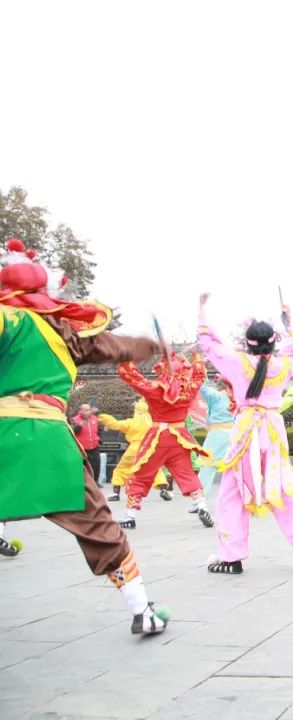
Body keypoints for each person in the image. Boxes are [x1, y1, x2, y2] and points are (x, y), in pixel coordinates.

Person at [0, 237, 168, 635]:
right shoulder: (64, 329)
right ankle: (142, 611)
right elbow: (116, 346)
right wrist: (150, 346)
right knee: (96, 523)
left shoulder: (8, 319)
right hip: (45, 437)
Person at [198, 294, 293, 573]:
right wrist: (288, 323)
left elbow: (209, 345)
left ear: (248, 343)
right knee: (282, 486)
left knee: (232, 493)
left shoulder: (237, 362)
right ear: (273, 341)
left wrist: (202, 312)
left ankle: (231, 557)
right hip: (274, 432)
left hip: (246, 432)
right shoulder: (283, 365)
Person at [117, 351, 213, 530]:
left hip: (158, 438)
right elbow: (199, 376)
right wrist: (197, 360)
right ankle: (202, 506)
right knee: (187, 473)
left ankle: (130, 516)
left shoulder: (154, 388)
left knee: (141, 475)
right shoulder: (189, 389)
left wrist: (126, 359)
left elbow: (133, 378)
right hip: (179, 438)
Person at [99, 399, 170, 502]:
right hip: (148, 449)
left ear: (136, 410)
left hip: (132, 450)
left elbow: (115, 424)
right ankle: (163, 490)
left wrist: (103, 417)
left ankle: (116, 494)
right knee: (155, 470)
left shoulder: (130, 422)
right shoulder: (152, 423)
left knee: (120, 470)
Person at [196, 376, 235, 491]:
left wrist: (202, 371)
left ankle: (201, 498)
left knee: (207, 466)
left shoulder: (217, 396)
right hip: (235, 434)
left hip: (217, 435)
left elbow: (202, 388)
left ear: (219, 386)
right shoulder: (237, 398)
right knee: (235, 467)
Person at [70, 403, 102, 488]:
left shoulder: (95, 419)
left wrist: (99, 440)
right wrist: (79, 426)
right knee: (81, 467)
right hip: (81, 448)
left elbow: (100, 430)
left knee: (96, 465)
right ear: (80, 411)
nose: (88, 412)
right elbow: (72, 431)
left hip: (94, 447)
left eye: (89, 410)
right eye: (86, 410)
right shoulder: (74, 419)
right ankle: (81, 483)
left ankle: (95, 482)